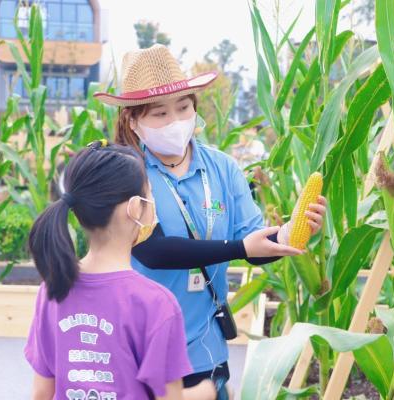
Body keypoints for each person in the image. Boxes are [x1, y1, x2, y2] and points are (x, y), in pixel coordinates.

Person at [94, 44, 327, 398]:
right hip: (139, 351)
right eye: (159, 114)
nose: (175, 120)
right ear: (132, 119)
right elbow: (152, 250)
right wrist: (238, 247)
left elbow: (254, 244)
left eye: (183, 107)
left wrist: (290, 231)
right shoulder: (125, 172)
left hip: (205, 349)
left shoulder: (222, 168)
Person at [25, 141, 217, 400]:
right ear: (135, 207)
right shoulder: (156, 303)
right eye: (150, 194)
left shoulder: (52, 289)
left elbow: (41, 393)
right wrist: (207, 392)